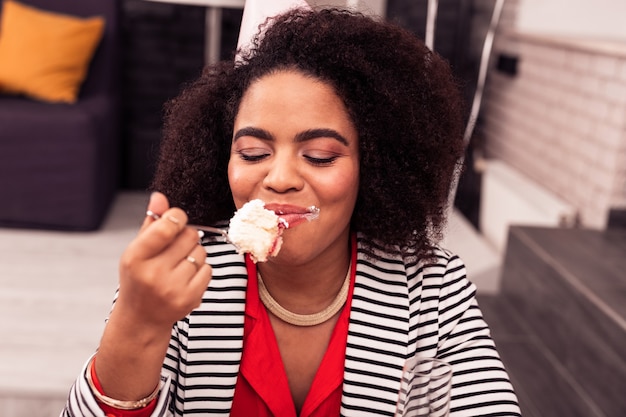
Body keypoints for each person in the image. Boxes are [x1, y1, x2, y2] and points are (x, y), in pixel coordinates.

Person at [62, 7, 521, 417]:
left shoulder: (434, 289)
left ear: (374, 165)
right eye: (253, 152)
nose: (280, 178)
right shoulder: (178, 278)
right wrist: (139, 322)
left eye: (320, 155)